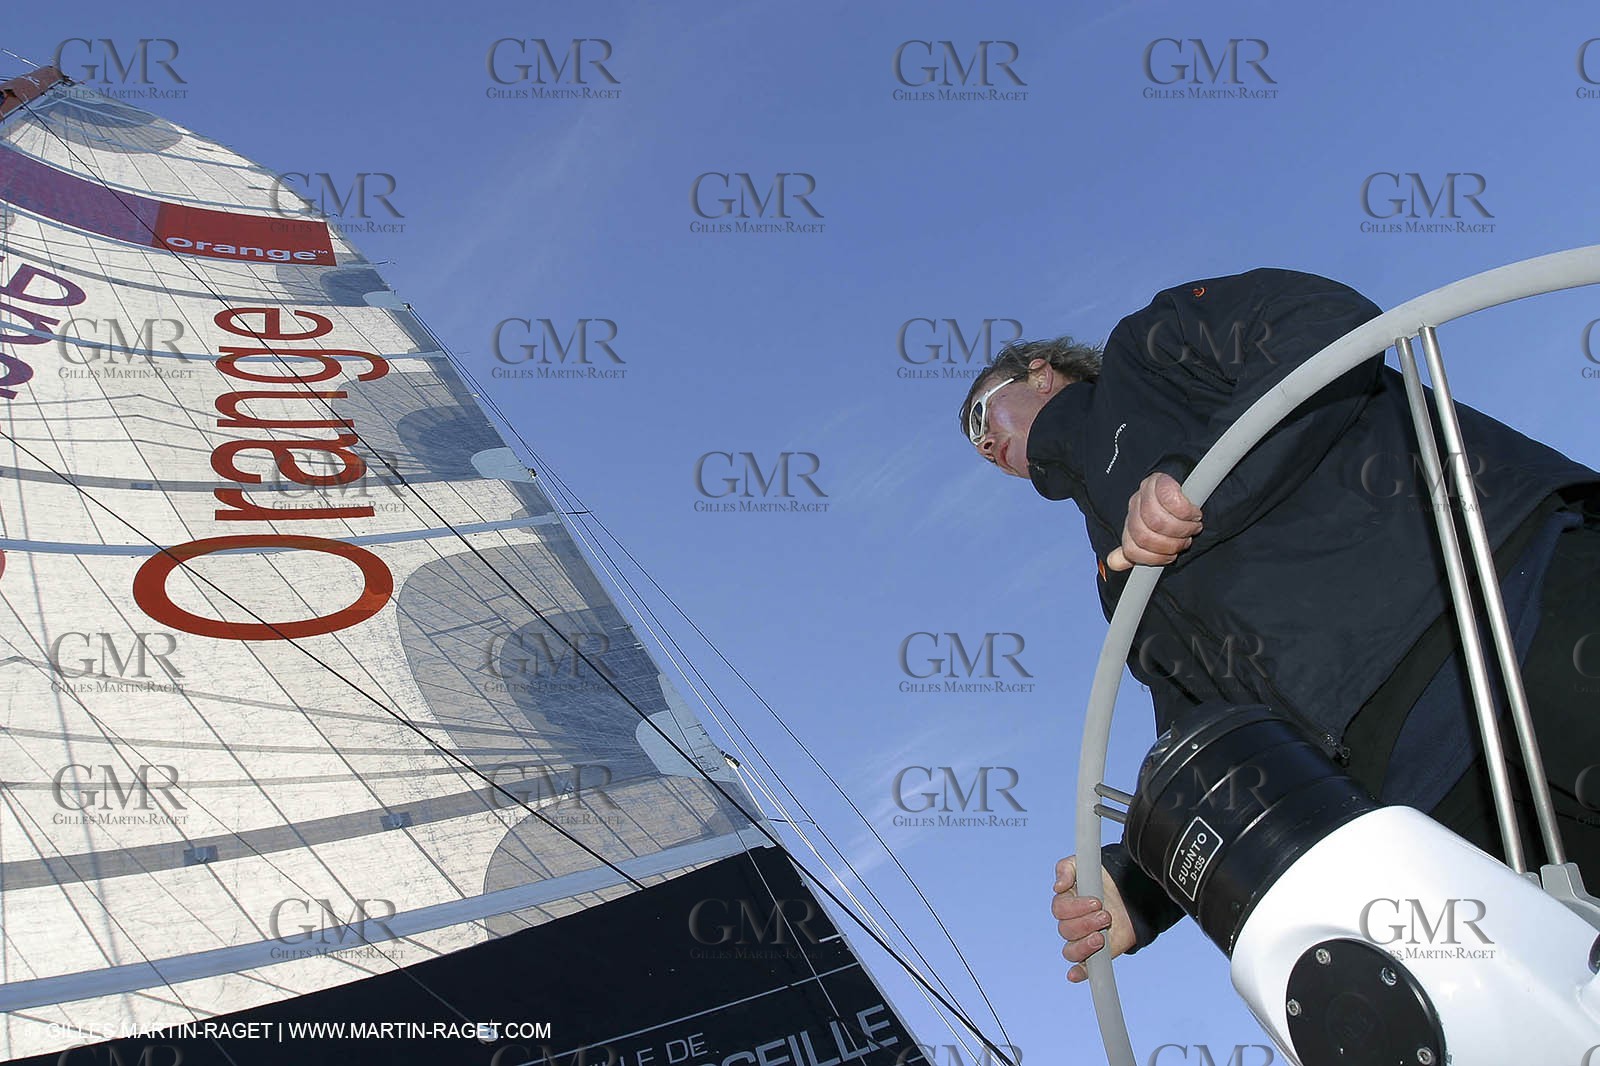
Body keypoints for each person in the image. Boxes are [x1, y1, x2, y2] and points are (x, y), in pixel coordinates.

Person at [956, 267, 1600, 982]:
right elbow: (1200, 721)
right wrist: (1143, 882)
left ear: (1040, 373)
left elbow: (1325, 320)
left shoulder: (1148, 345)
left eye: (982, 416)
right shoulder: (1112, 570)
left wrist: (1190, 479)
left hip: (1512, 605)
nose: (984, 446)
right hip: (1419, 802)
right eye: (975, 446)